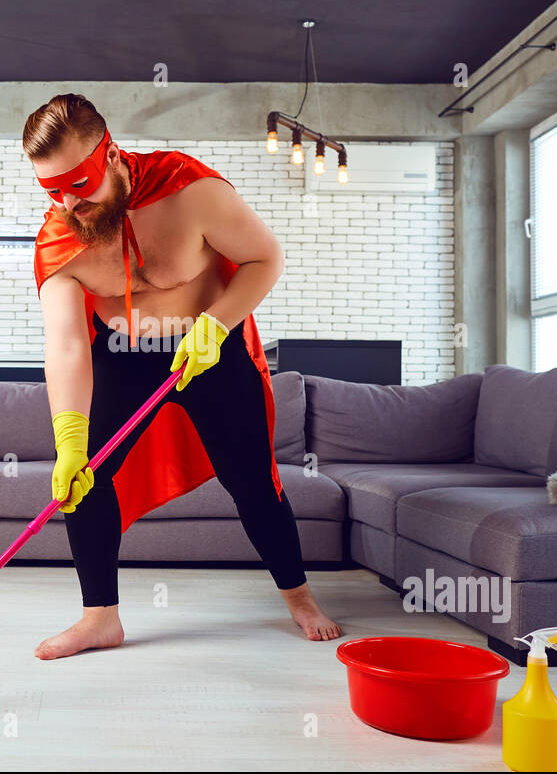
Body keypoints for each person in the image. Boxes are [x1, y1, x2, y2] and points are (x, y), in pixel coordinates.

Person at [25, 92, 341, 660]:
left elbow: (264, 257)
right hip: (121, 357)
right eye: (53, 190)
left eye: (80, 181)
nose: (71, 202)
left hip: (209, 349)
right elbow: (69, 345)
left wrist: (216, 325)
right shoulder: (59, 246)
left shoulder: (187, 189)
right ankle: (100, 618)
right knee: (86, 482)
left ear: (112, 154)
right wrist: (68, 441)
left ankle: (299, 597)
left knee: (251, 479)